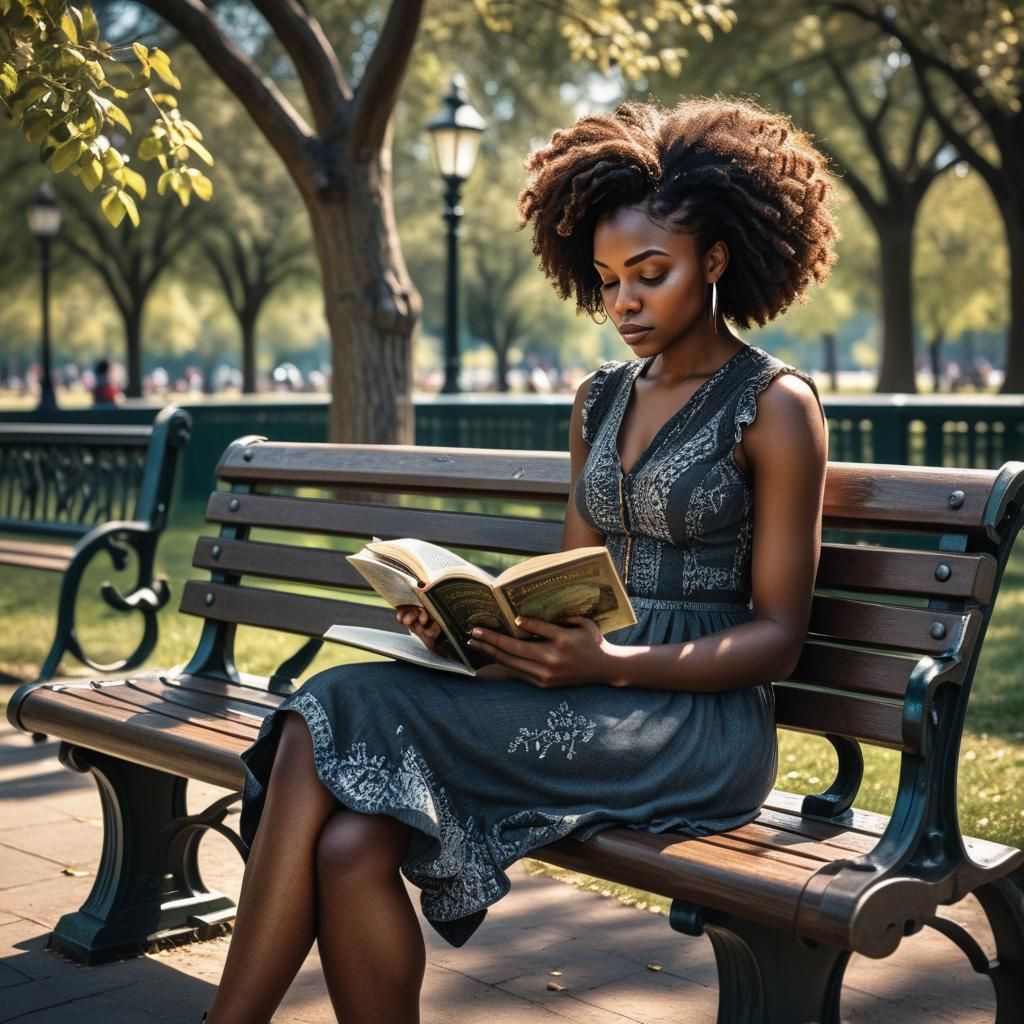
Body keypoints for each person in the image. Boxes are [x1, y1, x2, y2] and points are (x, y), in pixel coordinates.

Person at [203, 96, 837, 1024]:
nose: (623, 301)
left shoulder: (775, 406)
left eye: (649, 275)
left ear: (715, 258)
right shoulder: (599, 400)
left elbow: (780, 639)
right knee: (349, 848)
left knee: (333, 704)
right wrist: (469, 624)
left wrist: (615, 664)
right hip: (586, 683)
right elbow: (575, 590)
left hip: (695, 725)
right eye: (608, 278)